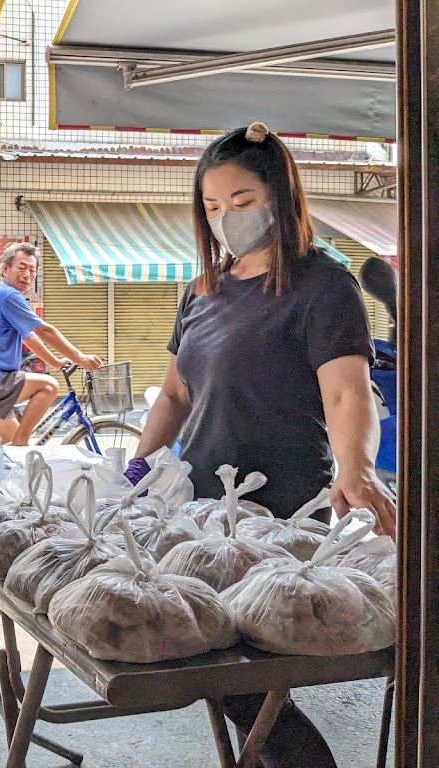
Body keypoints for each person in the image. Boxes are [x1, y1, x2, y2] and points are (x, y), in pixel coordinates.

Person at [127, 122, 397, 768]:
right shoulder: (202, 291)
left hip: (278, 517)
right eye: (213, 207)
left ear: (280, 197)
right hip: (196, 516)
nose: (226, 219)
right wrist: (135, 467)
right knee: (227, 683)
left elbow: (348, 394)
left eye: (242, 203)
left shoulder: (324, 288)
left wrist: (357, 467)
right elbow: (174, 397)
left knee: (250, 688)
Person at [0, 243, 101, 445]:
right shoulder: (8, 295)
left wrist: (56, 363)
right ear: (5, 269)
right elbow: (44, 331)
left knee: (10, 440)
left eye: (32, 270)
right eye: (21, 268)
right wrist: (80, 358)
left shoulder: (5, 296)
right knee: (49, 386)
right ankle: (21, 444)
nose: (27, 275)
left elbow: (29, 336)